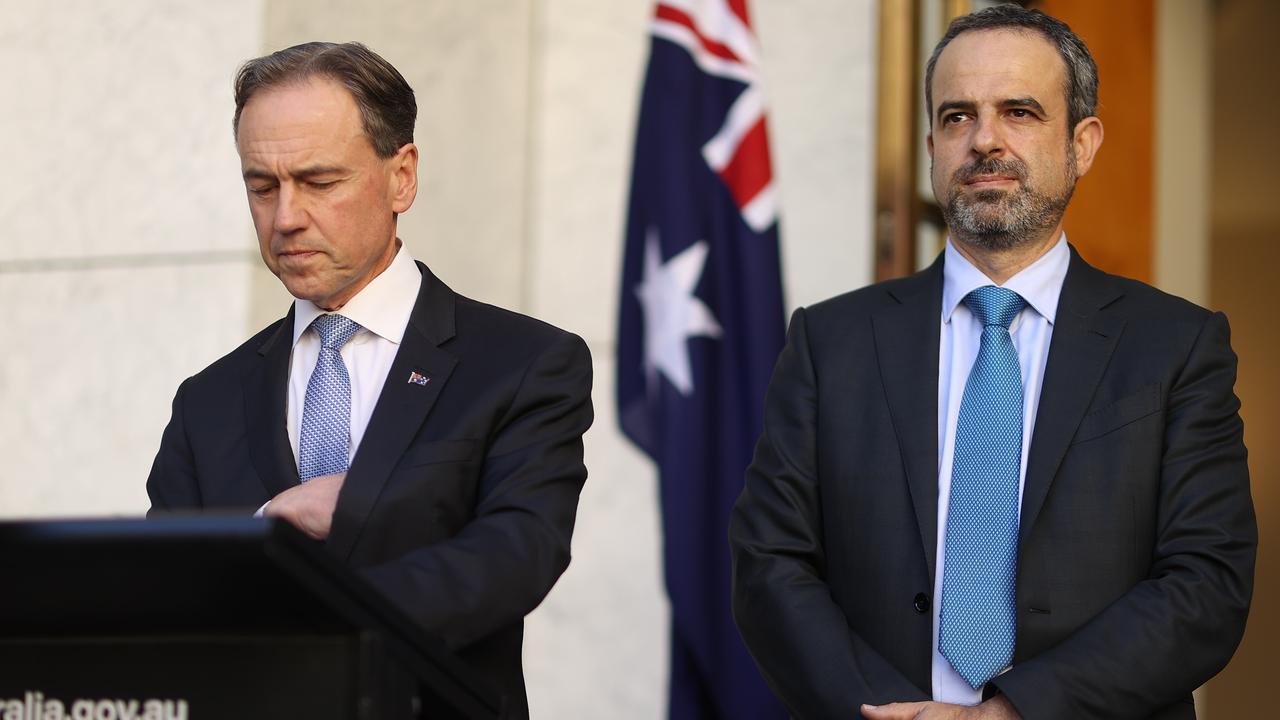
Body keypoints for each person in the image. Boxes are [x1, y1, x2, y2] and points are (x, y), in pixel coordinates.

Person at [729, 5, 1255, 719]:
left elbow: (1206, 583)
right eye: (957, 117)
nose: (984, 141)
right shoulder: (830, 343)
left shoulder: (1176, 347)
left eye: (1019, 112)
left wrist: (1013, 713)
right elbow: (770, 563)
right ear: (930, 146)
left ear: (1083, 143)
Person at [145, 42, 593, 717]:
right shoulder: (207, 400)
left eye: (319, 181)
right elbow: (164, 591)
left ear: (401, 176)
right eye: (262, 187)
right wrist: (264, 529)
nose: (286, 216)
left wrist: (314, 619)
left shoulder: (522, 364)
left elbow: (515, 555)